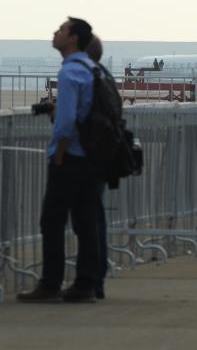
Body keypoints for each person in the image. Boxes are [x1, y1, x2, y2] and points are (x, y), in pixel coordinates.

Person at [18, 17, 99, 303]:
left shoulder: (69, 72)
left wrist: (60, 152)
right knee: (85, 222)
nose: (55, 32)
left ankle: (50, 283)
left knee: (52, 220)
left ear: (73, 38)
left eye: (62, 30)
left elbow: (66, 123)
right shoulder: (92, 68)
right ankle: (85, 284)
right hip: (92, 156)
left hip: (71, 156)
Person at [84, 34, 110, 300]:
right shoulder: (104, 74)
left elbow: (68, 120)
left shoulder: (80, 74)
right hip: (101, 155)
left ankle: (87, 280)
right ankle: (97, 278)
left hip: (84, 158)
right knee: (97, 218)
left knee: (86, 221)